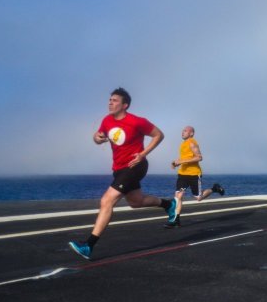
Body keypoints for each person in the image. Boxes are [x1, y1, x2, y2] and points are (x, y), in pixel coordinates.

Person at [68, 88, 174, 260]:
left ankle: (88, 245)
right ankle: (169, 205)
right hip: (118, 168)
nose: (110, 103)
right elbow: (97, 137)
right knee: (136, 202)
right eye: (110, 100)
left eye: (115, 100)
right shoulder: (107, 120)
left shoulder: (137, 121)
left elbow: (158, 135)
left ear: (125, 105)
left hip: (135, 165)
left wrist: (143, 154)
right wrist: (96, 137)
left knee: (106, 200)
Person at [166, 126, 225, 228]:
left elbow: (199, 157)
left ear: (191, 133)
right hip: (183, 174)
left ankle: (214, 188)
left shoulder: (192, 143)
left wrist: (181, 161)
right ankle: (175, 220)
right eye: (182, 131)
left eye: (185, 131)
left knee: (198, 198)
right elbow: (185, 158)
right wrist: (176, 163)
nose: (182, 132)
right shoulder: (182, 144)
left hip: (194, 174)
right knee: (178, 196)